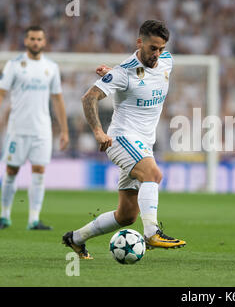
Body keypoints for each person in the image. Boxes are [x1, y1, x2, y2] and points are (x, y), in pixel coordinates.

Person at [62, 20, 186, 259]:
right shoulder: (123, 72)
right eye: (152, 48)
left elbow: (142, 81)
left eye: (161, 48)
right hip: (121, 139)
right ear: (139, 42)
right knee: (154, 175)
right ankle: (151, 233)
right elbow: (89, 98)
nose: (157, 54)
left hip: (144, 144)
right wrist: (98, 132)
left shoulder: (167, 60)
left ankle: (75, 238)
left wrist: (113, 75)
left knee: (127, 215)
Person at [0, 26, 69, 230]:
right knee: (11, 170)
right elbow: (2, 93)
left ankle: (34, 219)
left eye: (39, 39)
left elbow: (58, 99)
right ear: (26, 41)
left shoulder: (51, 67)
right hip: (17, 129)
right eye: (32, 38)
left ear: (44, 42)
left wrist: (64, 130)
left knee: (39, 171)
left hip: (42, 130)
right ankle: (4, 216)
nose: (36, 42)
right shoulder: (14, 65)